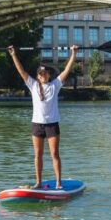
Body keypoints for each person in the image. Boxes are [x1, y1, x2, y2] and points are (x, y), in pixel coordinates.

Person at [8, 45, 78, 189]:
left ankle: (59, 183)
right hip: (37, 125)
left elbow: (66, 70)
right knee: (37, 156)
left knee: (55, 154)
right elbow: (21, 71)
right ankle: (38, 183)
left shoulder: (55, 85)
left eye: (45, 73)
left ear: (49, 75)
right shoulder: (33, 85)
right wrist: (14, 55)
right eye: (40, 74)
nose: (43, 75)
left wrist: (74, 54)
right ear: (37, 76)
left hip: (52, 125)